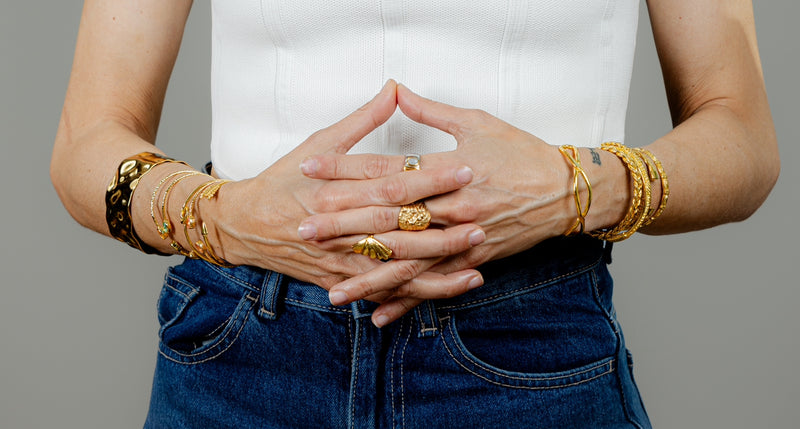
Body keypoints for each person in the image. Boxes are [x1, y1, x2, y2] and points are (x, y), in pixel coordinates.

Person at [51, 0, 778, 427]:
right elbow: (85, 142)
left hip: (527, 351)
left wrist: (576, 187)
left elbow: (742, 136)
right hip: (242, 356)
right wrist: (221, 216)